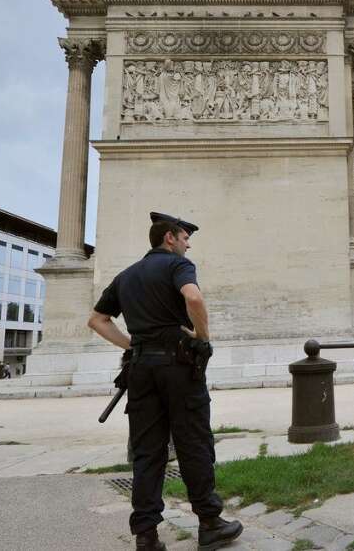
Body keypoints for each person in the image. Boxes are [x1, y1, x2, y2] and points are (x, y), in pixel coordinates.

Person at [87, 212, 242, 551]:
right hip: (178, 367)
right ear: (169, 238)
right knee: (194, 443)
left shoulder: (126, 276)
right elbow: (194, 298)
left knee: (147, 452)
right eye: (185, 237)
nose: (188, 244)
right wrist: (202, 337)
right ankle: (210, 523)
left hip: (141, 371)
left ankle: (146, 535)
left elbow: (97, 320)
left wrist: (134, 344)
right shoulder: (177, 266)